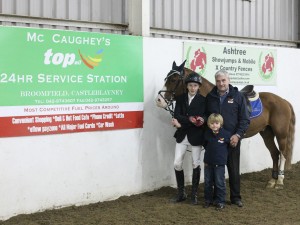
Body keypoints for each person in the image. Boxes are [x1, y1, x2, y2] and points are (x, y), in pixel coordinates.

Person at [205, 69, 250, 207]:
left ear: (229, 81)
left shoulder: (238, 97)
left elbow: (244, 119)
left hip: (232, 140)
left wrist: (237, 135)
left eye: (223, 80)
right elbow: (207, 117)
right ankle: (214, 197)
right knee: (213, 170)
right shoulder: (210, 97)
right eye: (218, 81)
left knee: (233, 169)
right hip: (214, 142)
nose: (221, 83)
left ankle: (235, 197)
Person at [171, 72, 206, 205]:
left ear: (198, 87)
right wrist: (191, 119)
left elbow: (203, 117)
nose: (192, 88)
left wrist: (198, 120)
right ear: (187, 86)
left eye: (195, 85)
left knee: (195, 163)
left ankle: (194, 194)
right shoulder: (180, 99)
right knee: (177, 163)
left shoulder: (203, 100)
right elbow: (177, 115)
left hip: (196, 135)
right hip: (182, 134)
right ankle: (181, 192)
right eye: (190, 85)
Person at [203, 113, 231, 210]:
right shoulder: (206, 134)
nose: (214, 125)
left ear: (220, 124)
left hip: (219, 164)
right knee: (207, 182)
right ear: (209, 124)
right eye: (212, 123)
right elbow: (205, 145)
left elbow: (229, 147)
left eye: (216, 123)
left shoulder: (226, 134)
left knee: (220, 183)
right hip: (208, 163)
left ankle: (220, 201)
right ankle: (208, 200)